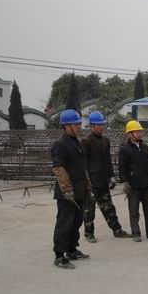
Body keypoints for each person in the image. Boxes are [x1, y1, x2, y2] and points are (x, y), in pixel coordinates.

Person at [81, 111, 132, 242]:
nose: (102, 127)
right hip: (92, 182)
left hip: (103, 180)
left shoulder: (106, 141)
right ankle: (89, 233)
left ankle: (117, 230)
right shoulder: (85, 142)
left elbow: (108, 161)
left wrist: (111, 176)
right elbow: (83, 164)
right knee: (89, 210)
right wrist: (87, 182)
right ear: (92, 126)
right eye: (99, 125)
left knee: (109, 207)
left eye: (102, 124)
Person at [51, 109, 91, 269]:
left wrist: (87, 185)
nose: (79, 126)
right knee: (64, 223)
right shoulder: (60, 144)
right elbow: (59, 168)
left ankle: (71, 249)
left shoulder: (76, 142)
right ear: (66, 126)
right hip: (67, 193)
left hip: (80, 190)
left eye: (79, 123)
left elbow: (81, 167)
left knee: (76, 221)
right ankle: (59, 255)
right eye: (76, 124)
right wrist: (67, 190)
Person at [118, 120, 148, 242]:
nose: (139, 133)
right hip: (133, 186)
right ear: (130, 134)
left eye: (140, 131)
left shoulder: (145, 148)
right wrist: (125, 182)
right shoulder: (125, 150)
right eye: (136, 131)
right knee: (134, 211)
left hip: (146, 185)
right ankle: (136, 233)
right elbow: (122, 168)